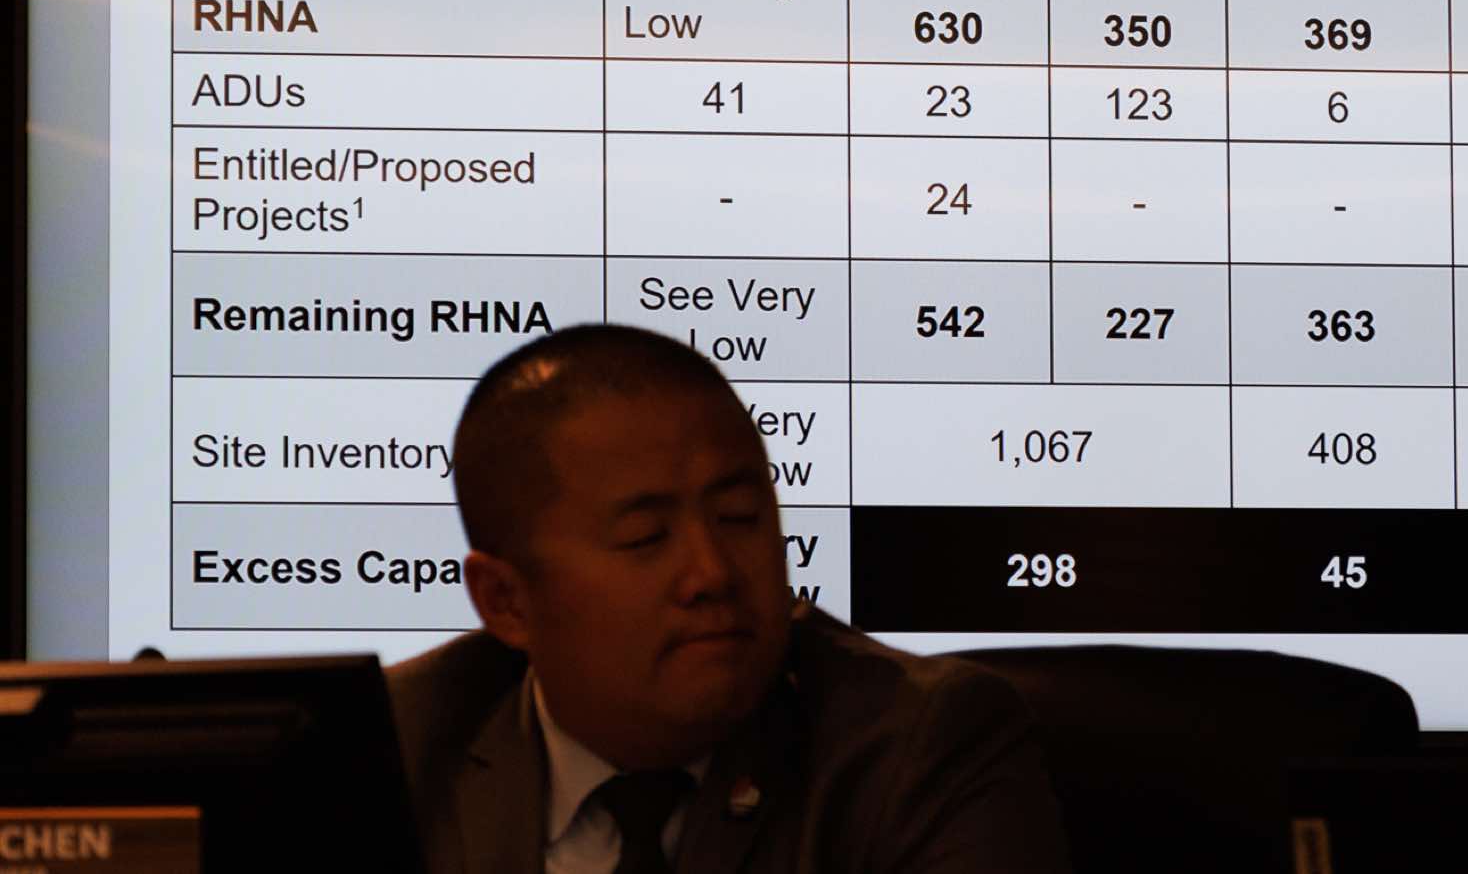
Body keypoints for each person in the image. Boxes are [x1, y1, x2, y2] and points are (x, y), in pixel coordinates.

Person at [386, 323, 1071, 874]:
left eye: (740, 517)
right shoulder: (390, 751)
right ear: (506, 601)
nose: (712, 572)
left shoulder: (914, 748)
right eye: (646, 538)